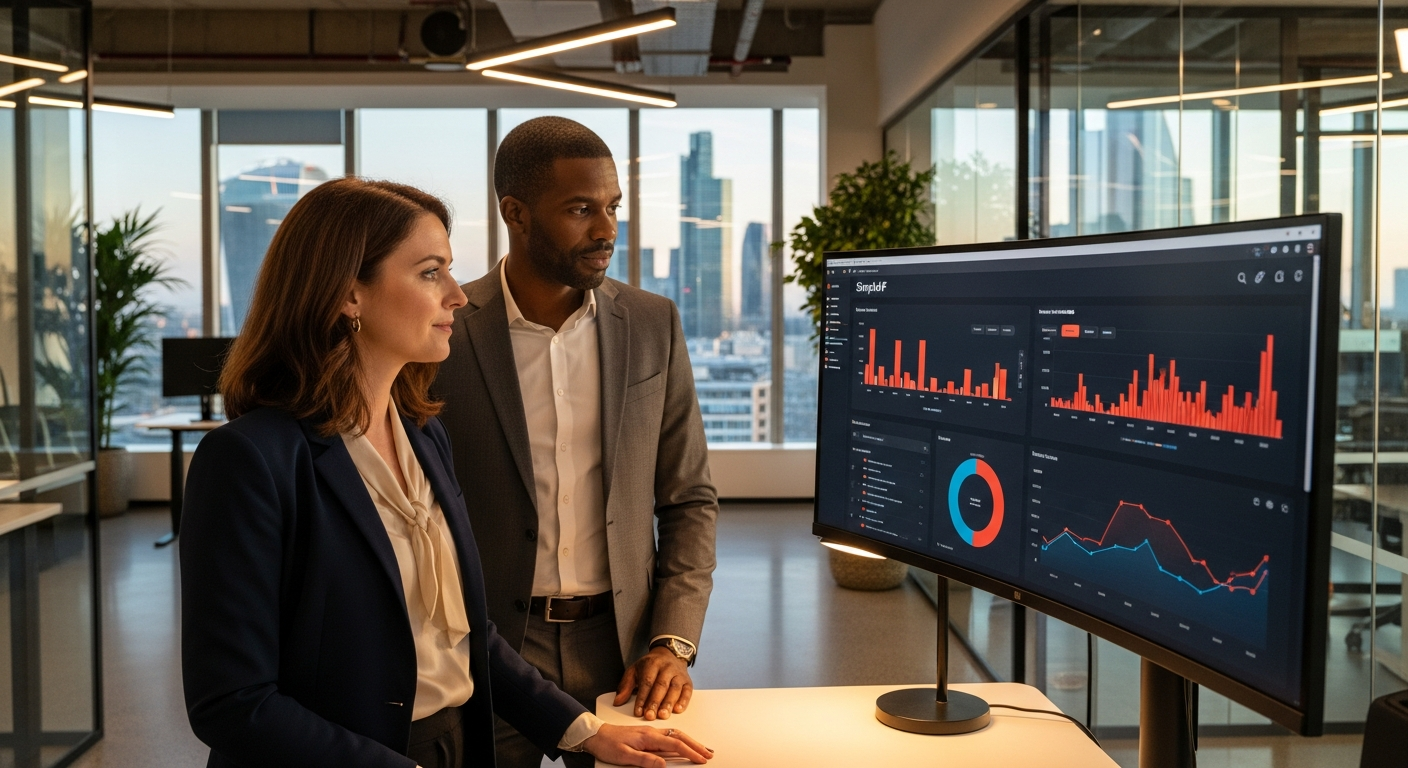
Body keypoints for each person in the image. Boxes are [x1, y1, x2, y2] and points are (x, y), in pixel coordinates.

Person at [180, 177, 713, 768]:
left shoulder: (422, 434)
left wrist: (583, 731)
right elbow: (231, 702)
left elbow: (464, 632)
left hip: (454, 743)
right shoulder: (250, 460)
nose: (458, 295)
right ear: (348, 294)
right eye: (431, 272)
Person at [433, 117, 718, 768]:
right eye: (581, 209)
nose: (606, 229)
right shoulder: (445, 335)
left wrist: (672, 642)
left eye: (613, 207)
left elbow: (689, 500)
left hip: (625, 650)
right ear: (517, 213)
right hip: (493, 647)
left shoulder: (652, 324)